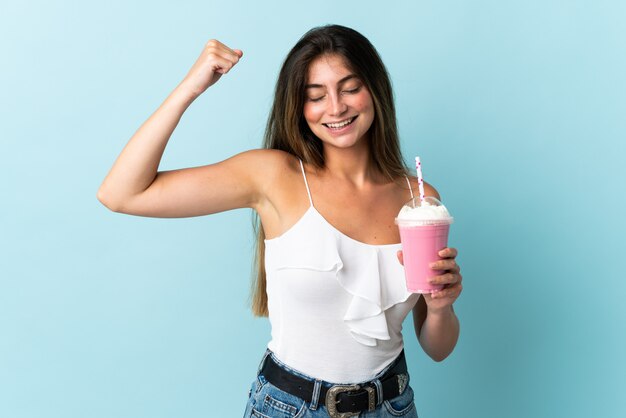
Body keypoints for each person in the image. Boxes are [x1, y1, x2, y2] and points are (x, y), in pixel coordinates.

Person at [98, 24, 462, 418]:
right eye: (315, 96)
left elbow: (437, 349)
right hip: (290, 406)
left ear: (375, 89)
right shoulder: (274, 177)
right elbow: (121, 193)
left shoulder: (420, 201)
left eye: (350, 87)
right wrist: (191, 88)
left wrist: (441, 308)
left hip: (392, 405)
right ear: (299, 106)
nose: (336, 107)